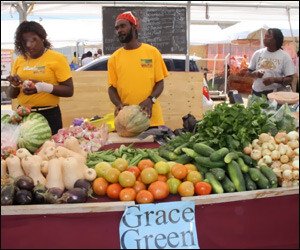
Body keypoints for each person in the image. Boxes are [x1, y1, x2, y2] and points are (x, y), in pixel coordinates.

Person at [6, 21, 74, 135]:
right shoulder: (19, 60)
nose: (29, 45)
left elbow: (69, 90)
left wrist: (42, 87)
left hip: (49, 115)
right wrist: (14, 85)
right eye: (24, 41)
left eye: (33, 40)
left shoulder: (57, 58)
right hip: (23, 115)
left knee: (49, 151)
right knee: (24, 150)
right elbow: (12, 95)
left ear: (42, 38)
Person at [107, 11, 168, 127]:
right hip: (126, 122)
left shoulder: (152, 52)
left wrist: (151, 100)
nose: (119, 30)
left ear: (134, 27)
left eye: (123, 26)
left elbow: (160, 82)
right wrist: (118, 104)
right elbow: (111, 88)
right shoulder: (114, 58)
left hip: (151, 119)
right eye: (117, 28)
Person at [246, 28, 295, 97]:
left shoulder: (285, 56)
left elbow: (290, 79)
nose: (264, 38)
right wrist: (255, 73)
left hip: (275, 95)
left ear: (276, 40)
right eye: (265, 36)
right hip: (257, 93)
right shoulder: (258, 53)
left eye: (268, 36)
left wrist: (274, 80)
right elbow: (248, 72)